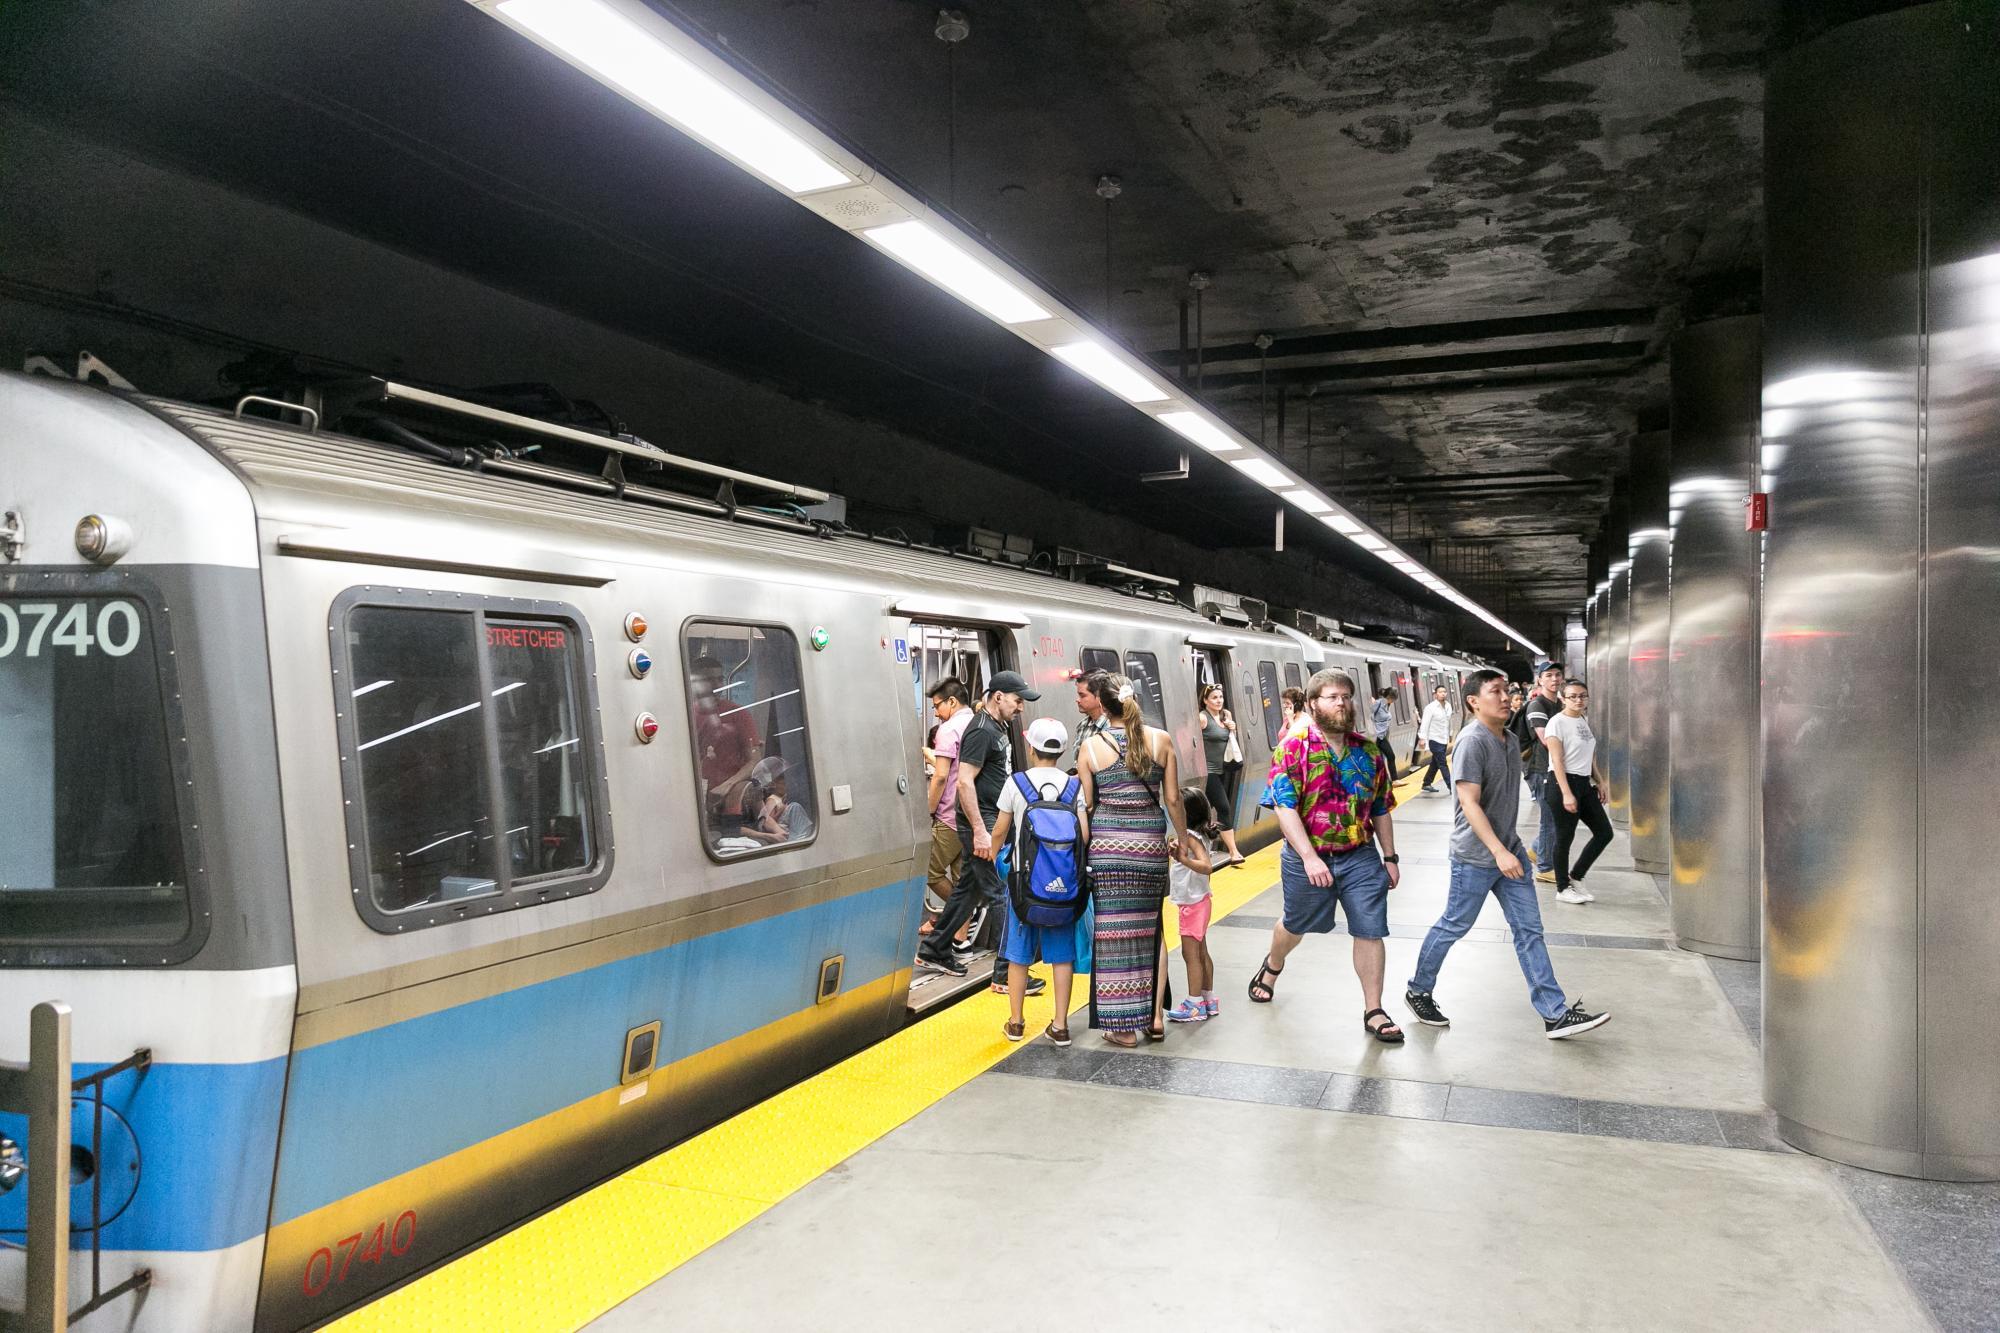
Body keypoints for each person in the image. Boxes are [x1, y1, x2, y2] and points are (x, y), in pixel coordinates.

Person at [1403, 671, 1610, 1039]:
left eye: (1506, 691)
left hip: (1508, 852)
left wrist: (1509, 848)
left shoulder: (1510, 739)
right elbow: (1468, 802)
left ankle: (1555, 1013)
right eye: (1495, 692)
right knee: (1455, 924)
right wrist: (1498, 852)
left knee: (1529, 930)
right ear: (1473, 701)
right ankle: (1418, 989)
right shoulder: (1472, 741)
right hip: (1476, 857)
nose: (1506, 698)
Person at [1247, 668, 1405, 1044]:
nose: (1341, 703)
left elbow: (1381, 806)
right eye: (1332, 697)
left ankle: (1374, 1009)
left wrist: (1391, 856)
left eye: (1346, 696)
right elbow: (1285, 808)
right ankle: (1273, 964)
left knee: (1371, 929)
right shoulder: (1294, 747)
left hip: (1359, 855)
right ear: (1313, 703)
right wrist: (1309, 858)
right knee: (1296, 924)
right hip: (1308, 855)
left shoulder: (1367, 751)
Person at [919, 670, 1045, 998]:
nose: (1020, 708)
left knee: (968, 890)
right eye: (1018, 701)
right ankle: (1005, 973)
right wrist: (979, 832)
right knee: (1000, 894)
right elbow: (963, 781)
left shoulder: (997, 727)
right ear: (998, 696)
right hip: (983, 824)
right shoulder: (980, 730)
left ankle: (935, 947)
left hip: (989, 821)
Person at [1079, 671, 1188, 1047]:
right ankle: (1155, 1018)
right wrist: (1184, 840)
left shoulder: (1091, 747)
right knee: (1152, 931)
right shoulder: (1161, 740)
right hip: (1149, 847)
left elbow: (1088, 805)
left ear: (1104, 707)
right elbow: (1173, 799)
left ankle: (1122, 1027)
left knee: (1112, 933)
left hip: (1109, 850)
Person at [990, 716, 1084, 1045]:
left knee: (1018, 956)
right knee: (1061, 956)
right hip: (1064, 886)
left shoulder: (1016, 784)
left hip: (1023, 887)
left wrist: (993, 855)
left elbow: (1000, 831)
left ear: (1031, 749)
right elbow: (1083, 834)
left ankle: (1016, 1023)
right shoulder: (1074, 787)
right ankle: (1060, 1026)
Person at [1544, 679, 1613, 906]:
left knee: (1604, 832)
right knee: (1564, 837)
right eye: (1572, 696)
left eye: (1582, 695)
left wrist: (1600, 781)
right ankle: (1562, 888)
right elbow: (1557, 760)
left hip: (1584, 783)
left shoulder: (1583, 720)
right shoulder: (1557, 723)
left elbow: (1589, 756)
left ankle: (1576, 876)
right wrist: (1566, 793)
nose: (1578, 700)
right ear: (1563, 698)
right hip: (1562, 783)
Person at [921, 677, 973, 942]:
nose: (935, 712)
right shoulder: (976, 724)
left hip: (949, 816)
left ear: (952, 702)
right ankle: (960, 938)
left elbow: (941, 777)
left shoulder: (948, 729)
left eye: (937, 705)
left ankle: (958, 915)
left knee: (930, 872)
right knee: (960, 876)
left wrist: (928, 812)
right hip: (970, 815)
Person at [1165, 786, 1221, 1023]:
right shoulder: (1199, 834)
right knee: (1202, 952)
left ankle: (1194, 1003)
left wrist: (1183, 859)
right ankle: (1208, 999)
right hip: (1200, 901)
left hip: (1192, 904)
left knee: (1191, 956)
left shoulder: (1188, 836)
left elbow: (1207, 866)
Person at [691, 656, 764, 830]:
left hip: (731, 799)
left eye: (719, 679)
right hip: (698, 800)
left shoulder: (738, 714)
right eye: (709, 680)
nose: (717, 685)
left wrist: (727, 785)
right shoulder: (687, 714)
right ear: (695, 682)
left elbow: (754, 760)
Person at [1520, 661, 1565, 881]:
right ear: (1540, 680)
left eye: (1557, 675)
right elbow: (1546, 739)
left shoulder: (1560, 704)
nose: (1554, 679)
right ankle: (1545, 868)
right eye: (1549, 675)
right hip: (1539, 768)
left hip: (1554, 768)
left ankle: (1537, 850)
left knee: (1555, 817)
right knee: (1549, 818)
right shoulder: (1537, 705)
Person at [1196, 684, 1246, 866]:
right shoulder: (1202, 718)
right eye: (1214, 698)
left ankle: (1204, 848)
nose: (1219, 701)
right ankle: (1233, 852)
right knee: (1224, 808)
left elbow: (1230, 741)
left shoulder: (1226, 716)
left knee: (1207, 812)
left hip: (1225, 769)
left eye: (1220, 697)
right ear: (1205, 701)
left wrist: (1233, 729)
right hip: (1209, 772)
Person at [745, 756, 814, 842]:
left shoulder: (783, 798)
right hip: (780, 827)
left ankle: (804, 836)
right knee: (795, 807)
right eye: (784, 780)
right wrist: (782, 810)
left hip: (787, 827)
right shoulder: (773, 799)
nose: (789, 782)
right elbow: (766, 820)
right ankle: (800, 838)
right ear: (774, 784)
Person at [1067, 668, 1111, 770]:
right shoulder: (1082, 725)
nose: (1077, 700)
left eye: (1082, 695)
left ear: (1099, 697)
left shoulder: (1111, 726)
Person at [1416, 684, 1455, 795]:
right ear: (1435, 695)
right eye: (1440, 692)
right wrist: (1422, 738)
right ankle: (1451, 787)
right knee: (1442, 763)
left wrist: (1450, 733)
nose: (1443, 694)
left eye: (1444, 692)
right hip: (1434, 739)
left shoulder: (1448, 706)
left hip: (1443, 738)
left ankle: (1426, 783)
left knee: (1436, 762)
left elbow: (1449, 721)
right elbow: (1425, 723)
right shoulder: (1430, 708)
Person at [1370, 686, 1400, 783]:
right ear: (1389, 697)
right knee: (1379, 760)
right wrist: (1373, 730)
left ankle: (1394, 780)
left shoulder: (1387, 705)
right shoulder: (1378, 703)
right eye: (1392, 698)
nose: (1393, 700)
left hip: (1382, 736)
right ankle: (1381, 782)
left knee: (1390, 756)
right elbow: (1370, 716)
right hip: (1376, 736)